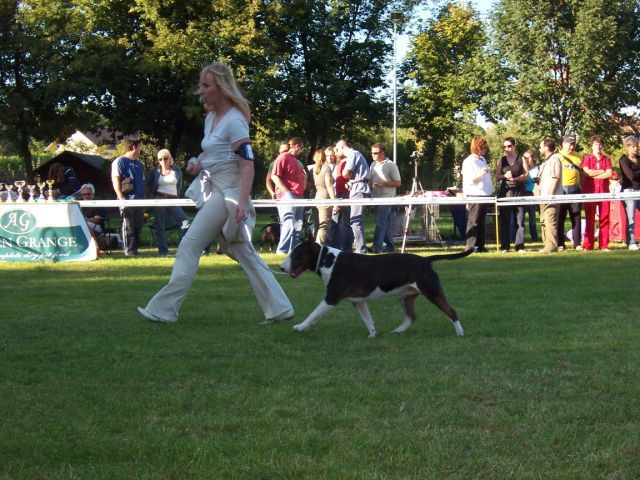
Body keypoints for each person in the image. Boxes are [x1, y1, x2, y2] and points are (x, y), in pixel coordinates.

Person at [138, 62, 293, 324]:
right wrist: (198, 164)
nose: (201, 91)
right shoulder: (211, 118)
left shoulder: (234, 121)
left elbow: (247, 165)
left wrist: (242, 201)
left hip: (229, 192)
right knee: (241, 249)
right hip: (216, 187)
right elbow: (214, 155)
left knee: (189, 245)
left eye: (206, 85)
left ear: (220, 87)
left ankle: (163, 309)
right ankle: (280, 308)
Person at [145, 149, 190, 256]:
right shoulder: (155, 171)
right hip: (159, 199)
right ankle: (163, 252)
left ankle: (185, 249)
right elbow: (147, 185)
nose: (163, 161)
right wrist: (151, 197)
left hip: (173, 200)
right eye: (160, 159)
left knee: (185, 223)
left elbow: (179, 185)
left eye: (165, 158)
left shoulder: (176, 169)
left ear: (170, 159)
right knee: (160, 226)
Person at [335, 139, 371, 254]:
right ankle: (359, 247)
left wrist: (347, 175)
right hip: (357, 188)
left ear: (342, 147)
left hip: (359, 189)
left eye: (336, 149)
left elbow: (346, 173)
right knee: (355, 220)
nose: (336, 152)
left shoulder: (353, 154)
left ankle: (361, 249)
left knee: (355, 220)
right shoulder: (356, 154)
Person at [271, 137, 307, 254]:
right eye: (301, 148)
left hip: (298, 195)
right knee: (288, 223)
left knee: (297, 224)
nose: (301, 150)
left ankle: (293, 250)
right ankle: (282, 251)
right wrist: (287, 193)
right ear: (297, 146)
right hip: (288, 196)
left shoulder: (295, 160)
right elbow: (274, 176)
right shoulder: (283, 157)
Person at [111, 136, 145, 257]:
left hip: (139, 201)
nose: (140, 149)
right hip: (127, 200)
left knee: (138, 225)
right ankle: (129, 251)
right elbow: (115, 179)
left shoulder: (139, 164)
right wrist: (121, 198)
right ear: (134, 147)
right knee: (128, 225)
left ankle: (135, 250)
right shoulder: (119, 161)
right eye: (139, 147)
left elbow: (141, 181)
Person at [495, 137, 528, 252]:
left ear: (514, 146)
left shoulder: (521, 158)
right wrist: (505, 176)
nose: (507, 148)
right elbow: (497, 176)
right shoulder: (502, 160)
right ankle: (505, 246)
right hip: (505, 192)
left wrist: (519, 178)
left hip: (519, 190)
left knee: (520, 220)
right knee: (505, 220)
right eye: (505, 146)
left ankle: (520, 246)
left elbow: (526, 173)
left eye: (509, 146)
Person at [581, 134, 612, 251]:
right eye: (595, 144)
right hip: (590, 192)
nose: (597, 146)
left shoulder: (606, 159)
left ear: (602, 146)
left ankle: (604, 245)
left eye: (599, 144)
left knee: (605, 218)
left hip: (604, 192)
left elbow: (609, 173)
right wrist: (601, 172)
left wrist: (594, 174)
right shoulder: (587, 158)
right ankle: (588, 245)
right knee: (590, 219)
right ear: (591, 146)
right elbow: (587, 172)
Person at [462, 136, 493, 252]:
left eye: (485, 147)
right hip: (475, 194)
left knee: (482, 222)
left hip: (485, 195)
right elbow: (470, 179)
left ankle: (481, 245)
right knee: (473, 221)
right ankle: (470, 246)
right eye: (482, 147)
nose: (485, 149)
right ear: (477, 148)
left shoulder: (482, 160)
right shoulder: (469, 161)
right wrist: (482, 172)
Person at [370, 142, 401, 253]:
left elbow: (398, 183)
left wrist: (385, 184)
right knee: (386, 223)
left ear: (382, 153)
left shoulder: (391, 165)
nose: (372, 155)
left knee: (380, 222)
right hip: (376, 197)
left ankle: (376, 247)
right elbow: (371, 180)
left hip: (387, 197)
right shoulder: (373, 164)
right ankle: (390, 246)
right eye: (372, 153)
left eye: (375, 153)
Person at [536, 138, 563, 254]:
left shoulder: (555, 160)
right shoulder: (546, 161)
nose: (539, 149)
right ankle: (547, 244)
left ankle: (551, 246)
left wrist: (550, 195)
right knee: (544, 221)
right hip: (543, 197)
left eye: (541, 146)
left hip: (550, 197)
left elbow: (555, 178)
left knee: (550, 220)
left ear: (546, 148)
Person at [556, 136, 583, 251]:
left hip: (575, 189)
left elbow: (582, 172)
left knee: (576, 217)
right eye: (569, 144)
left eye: (573, 144)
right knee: (560, 217)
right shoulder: (557, 157)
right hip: (561, 190)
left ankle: (577, 243)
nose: (571, 147)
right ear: (563, 144)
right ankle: (560, 243)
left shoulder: (578, 156)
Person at [619, 135, 640, 250]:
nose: (635, 149)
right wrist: (637, 173)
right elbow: (631, 176)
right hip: (629, 191)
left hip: (639, 191)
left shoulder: (639, 159)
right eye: (633, 146)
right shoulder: (623, 159)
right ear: (627, 147)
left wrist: (636, 172)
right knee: (631, 217)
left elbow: (634, 174)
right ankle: (631, 242)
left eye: (636, 146)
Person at [311, 148, 336, 244]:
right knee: (325, 225)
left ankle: (315, 245)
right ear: (324, 157)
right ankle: (318, 246)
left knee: (318, 224)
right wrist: (334, 201)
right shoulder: (326, 168)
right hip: (325, 199)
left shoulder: (313, 169)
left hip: (316, 198)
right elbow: (329, 185)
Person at [521, 150, 539, 242]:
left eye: (528, 157)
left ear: (533, 158)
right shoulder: (522, 169)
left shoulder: (538, 169)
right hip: (523, 194)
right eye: (525, 158)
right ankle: (520, 237)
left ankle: (534, 237)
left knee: (532, 217)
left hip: (534, 195)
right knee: (521, 218)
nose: (527, 160)